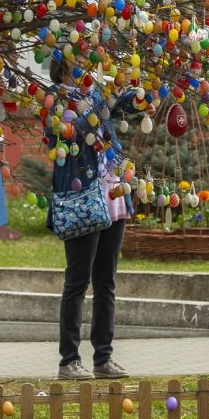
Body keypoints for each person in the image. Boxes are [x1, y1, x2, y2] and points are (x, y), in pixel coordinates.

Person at [53, 85, 132, 381]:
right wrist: (98, 102)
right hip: (82, 201)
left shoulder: (100, 90)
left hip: (113, 196)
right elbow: (71, 131)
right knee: (77, 282)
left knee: (106, 282)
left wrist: (142, 95)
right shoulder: (56, 97)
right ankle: (69, 360)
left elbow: (123, 105)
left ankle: (103, 358)